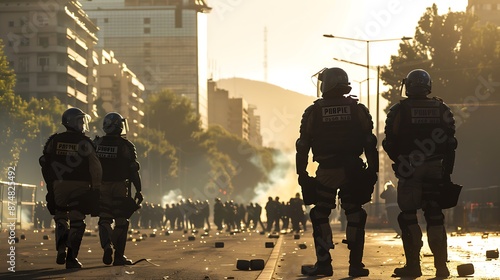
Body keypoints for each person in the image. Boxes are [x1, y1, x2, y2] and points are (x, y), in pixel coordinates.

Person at [296, 67, 378, 277]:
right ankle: (355, 265)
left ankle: (324, 264)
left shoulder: (314, 111)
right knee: (355, 213)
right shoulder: (358, 109)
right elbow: (370, 142)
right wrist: (372, 171)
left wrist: (302, 174)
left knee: (320, 213)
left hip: (327, 171)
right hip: (353, 170)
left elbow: (303, 146)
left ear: (328, 84)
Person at [383, 69, 457, 278]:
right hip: (435, 168)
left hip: (410, 168)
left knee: (408, 217)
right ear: (428, 85)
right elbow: (451, 143)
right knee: (435, 216)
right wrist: (447, 174)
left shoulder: (399, 110)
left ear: (408, 86)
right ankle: (441, 268)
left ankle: (413, 266)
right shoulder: (441, 108)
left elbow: (389, 142)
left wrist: (400, 162)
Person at [39, 107, 102, 269]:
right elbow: (95, 167)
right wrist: (96, 188)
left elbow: (44, 162)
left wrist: (50, 184)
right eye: (80, 120)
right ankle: (71, 258)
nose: (82, 124)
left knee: (60, 216)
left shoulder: (54, 140)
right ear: (71, 122)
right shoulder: (86, 143)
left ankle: (61, 248)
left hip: (58, 184)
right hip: (80, 186)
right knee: (77, 220)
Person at [94, 112, 143, 266]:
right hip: (120, 186)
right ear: (118, 126)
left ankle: (107, 245)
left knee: (104, 218)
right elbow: (133, 169)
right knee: (121, 221)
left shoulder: (96, 144)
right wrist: (139, 190)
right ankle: (119, 256)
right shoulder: (126, 146)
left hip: (101, 185)